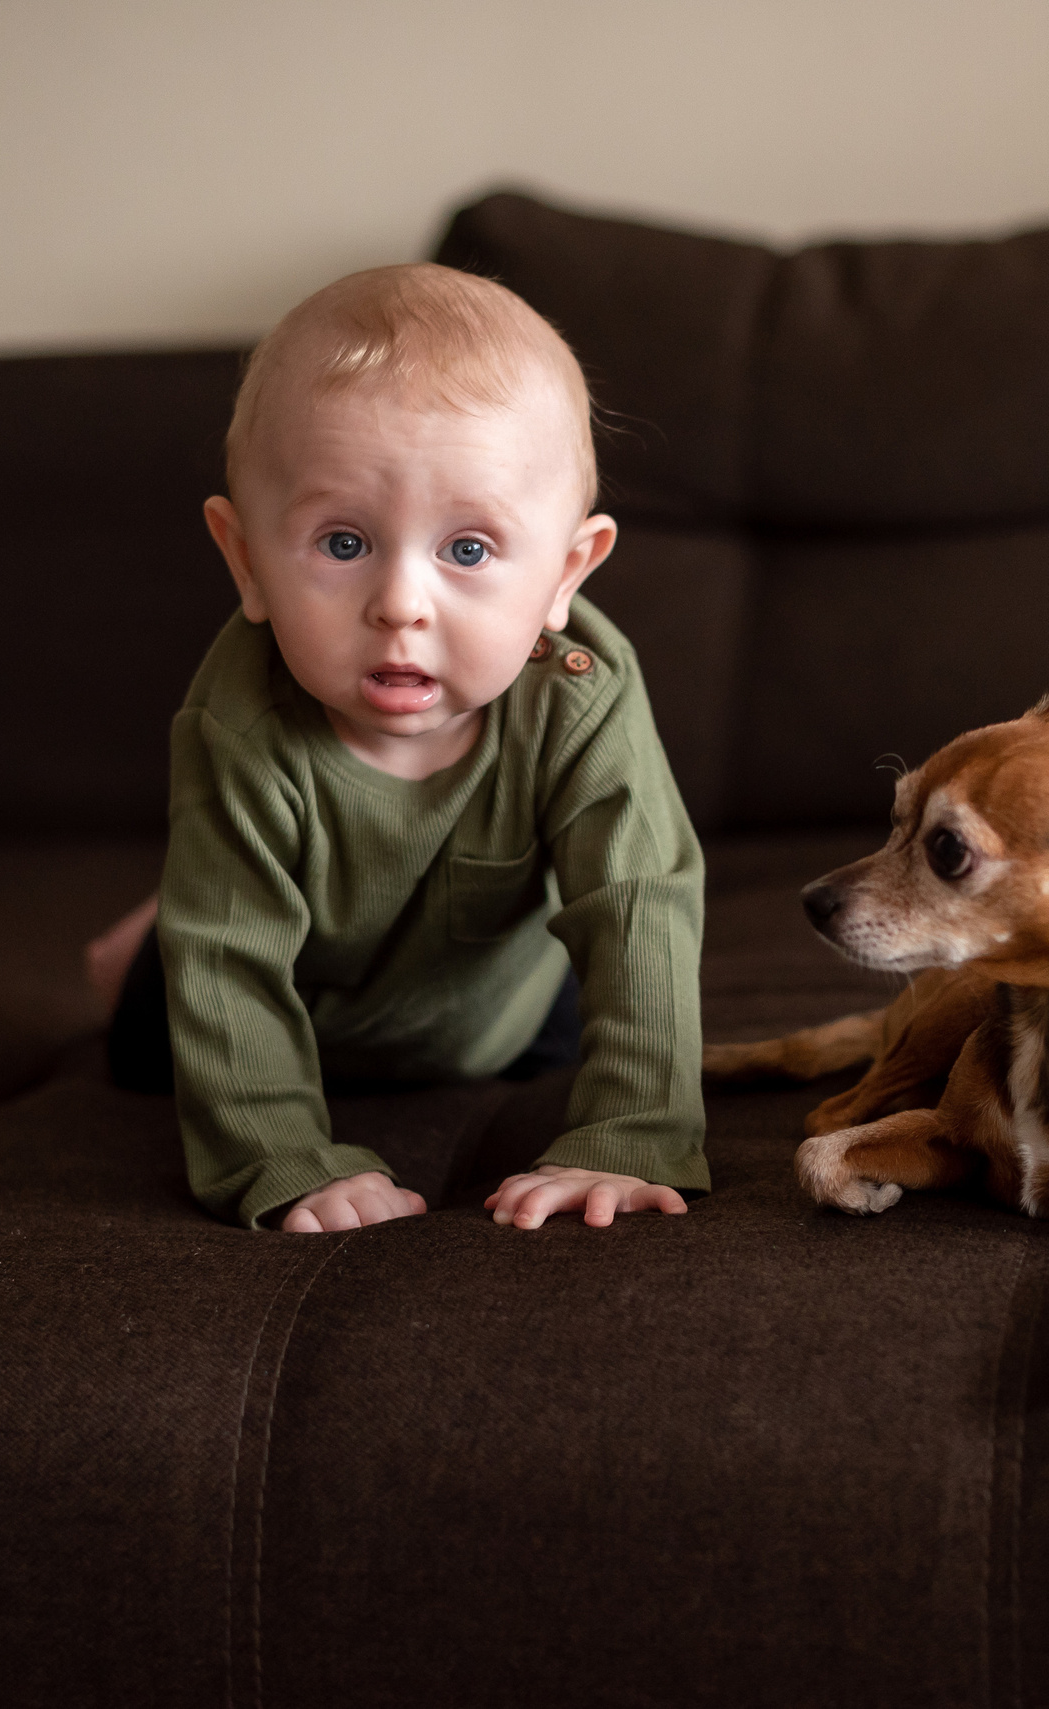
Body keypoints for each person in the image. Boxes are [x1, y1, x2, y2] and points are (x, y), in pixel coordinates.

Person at [87, 263, 706, 1235]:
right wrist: (283, 1160)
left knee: (568, 1001)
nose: (401, 605)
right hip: (291, 1004)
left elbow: (638, 904)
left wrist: (631, 1131)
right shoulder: (242, 721)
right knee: (156, 1004)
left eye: (468, 550)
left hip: (494, 1006)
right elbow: (229, 961)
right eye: (343, 543)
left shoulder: (577, 692)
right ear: (245, 559)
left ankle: (191, 890)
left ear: (564, 574)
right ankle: (148, 926)